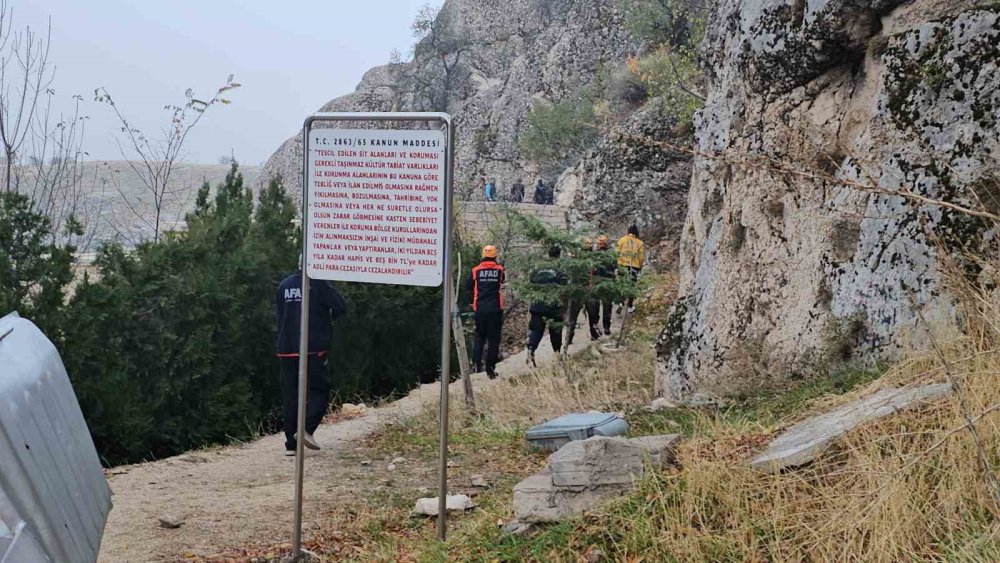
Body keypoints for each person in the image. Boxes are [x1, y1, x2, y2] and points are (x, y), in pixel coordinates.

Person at [275, 256, 348, 457]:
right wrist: (327, 321)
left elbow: (280, 315)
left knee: (291, 395)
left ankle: (291, 444)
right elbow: (341, 306)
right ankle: (305, 430)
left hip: (287, 348)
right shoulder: (318, 284)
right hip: (313, 348)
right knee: (319, 390)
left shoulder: (284, 285)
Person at [526, 246, 569, 367]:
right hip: (554, 305)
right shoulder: (560, 270)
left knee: (536, 330)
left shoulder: (538, 269)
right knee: (555, 330)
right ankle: (557, 354)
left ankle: (531, 351)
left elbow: (531, 284)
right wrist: (564, 307)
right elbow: (564, 289)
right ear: (558, 256)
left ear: (548, 254)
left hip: (537, 305)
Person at [467, 245, 505, 378]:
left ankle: (476, 364)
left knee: (480, 337)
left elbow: (468, 286)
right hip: (495, 310)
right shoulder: (500, 270)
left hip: (480, 309)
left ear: (483, 256)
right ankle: (491, 370)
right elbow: (502, 281)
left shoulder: (475, 270)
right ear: (495, 256)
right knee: (494, 340)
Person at [589, 234, 615, 337]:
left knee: (602, 306)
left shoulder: (596, 255)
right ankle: (604, 326)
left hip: (602, 282)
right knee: (605, 306)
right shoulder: (610, 254)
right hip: (602, 282)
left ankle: (602, 326)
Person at [616, 225, 645, 314]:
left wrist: (618, 263)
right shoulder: (639, 243)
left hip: (622, 265)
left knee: (622, 284)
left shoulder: (622, 240)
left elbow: (617, 252)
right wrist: (640, 266)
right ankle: (630, 306)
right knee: (632, 286)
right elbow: (641, 257)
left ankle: (620, 302)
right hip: (634, 267)